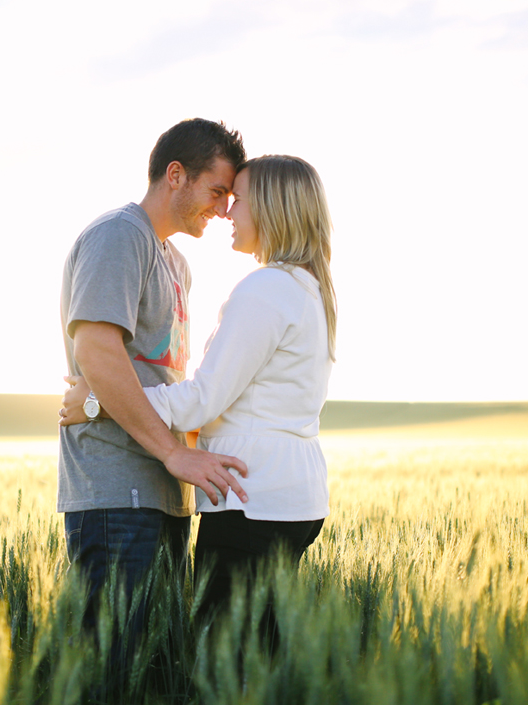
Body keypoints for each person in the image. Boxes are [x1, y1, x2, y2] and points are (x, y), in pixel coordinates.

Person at [61, 154, 337, 624]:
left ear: (272, 208)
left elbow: (202, 399)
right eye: (221, 195)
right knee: (256, 655)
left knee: (224, 661)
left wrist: (98, 403)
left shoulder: (265, 288)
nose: (227, 211)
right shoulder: (309, 289)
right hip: (289, 495)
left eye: (239, 200)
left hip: (249, 497)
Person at [57, 118, 249, 630]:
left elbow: (165, 378)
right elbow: (96, 351)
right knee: (116, 669)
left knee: (155, 668)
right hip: (116, 495)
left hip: (165, 495)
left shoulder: (177, 263)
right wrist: (171, 451)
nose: (225, 208)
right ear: (176, 174)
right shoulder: (119, 236)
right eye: (217, 190)